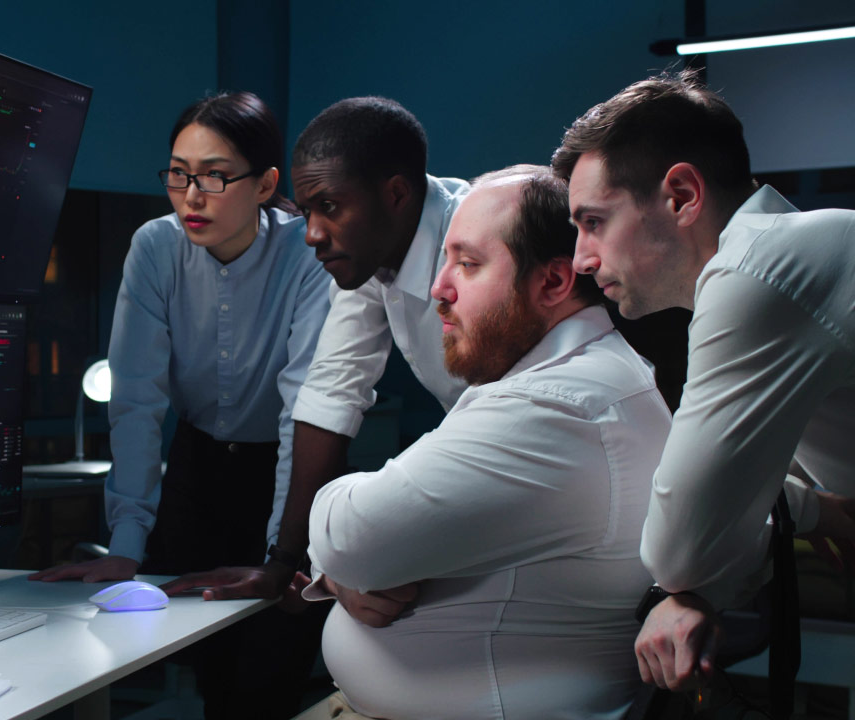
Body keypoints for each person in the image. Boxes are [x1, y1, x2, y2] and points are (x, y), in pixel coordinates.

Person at [297, 165, 671, 720]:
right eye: (444, 259)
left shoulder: (550, 406)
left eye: (468, 265)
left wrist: (341, 529)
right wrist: (349, 567)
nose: (438, 289)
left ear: (552, 281)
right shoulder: (575, 376)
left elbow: (352, 534)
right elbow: (365, 547)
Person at [29, 91, 331, 718]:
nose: (191, 196)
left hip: (294, 467)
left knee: (270, 673)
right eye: (178, 174)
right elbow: (137, 399)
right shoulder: (155, 247)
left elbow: (303, 406)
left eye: (215, 176)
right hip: (197, 469)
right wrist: (127, 542)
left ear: (266, 183)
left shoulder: (308, 252)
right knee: (208, 673)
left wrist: (282, 552)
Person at [553, 69, 855, 693]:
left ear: (683, 195)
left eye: (594, 222)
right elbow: (757, 490)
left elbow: (680, 550)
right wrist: (808, 510)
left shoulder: (756, 270)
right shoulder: (784, 255)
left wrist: (687, 585)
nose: (581, 257)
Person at [162, 96, 471, 602]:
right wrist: (282, 563)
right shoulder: (370, 253)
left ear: (395, 194)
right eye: (305, 211)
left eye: (328, 207)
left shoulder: (480, 238)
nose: (311, 235)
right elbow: (330, 392)